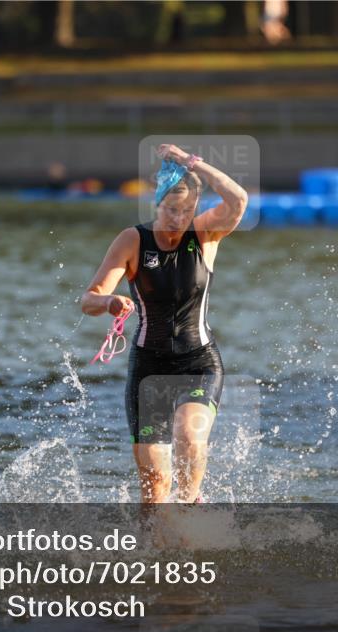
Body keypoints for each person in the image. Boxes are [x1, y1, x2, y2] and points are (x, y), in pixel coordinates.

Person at [82, 144, 248, 503]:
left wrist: (194, 163)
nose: (179, 219)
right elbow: (88, 300)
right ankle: (153, 550)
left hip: (199, 362)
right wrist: (109, 302)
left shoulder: (204, 235)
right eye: (172, 210)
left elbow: (238, 200)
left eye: (188, 210)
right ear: (157, 204)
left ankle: (191, 506)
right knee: (155, 487)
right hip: (148, 366)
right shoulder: (132, 241)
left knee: (190, 436)